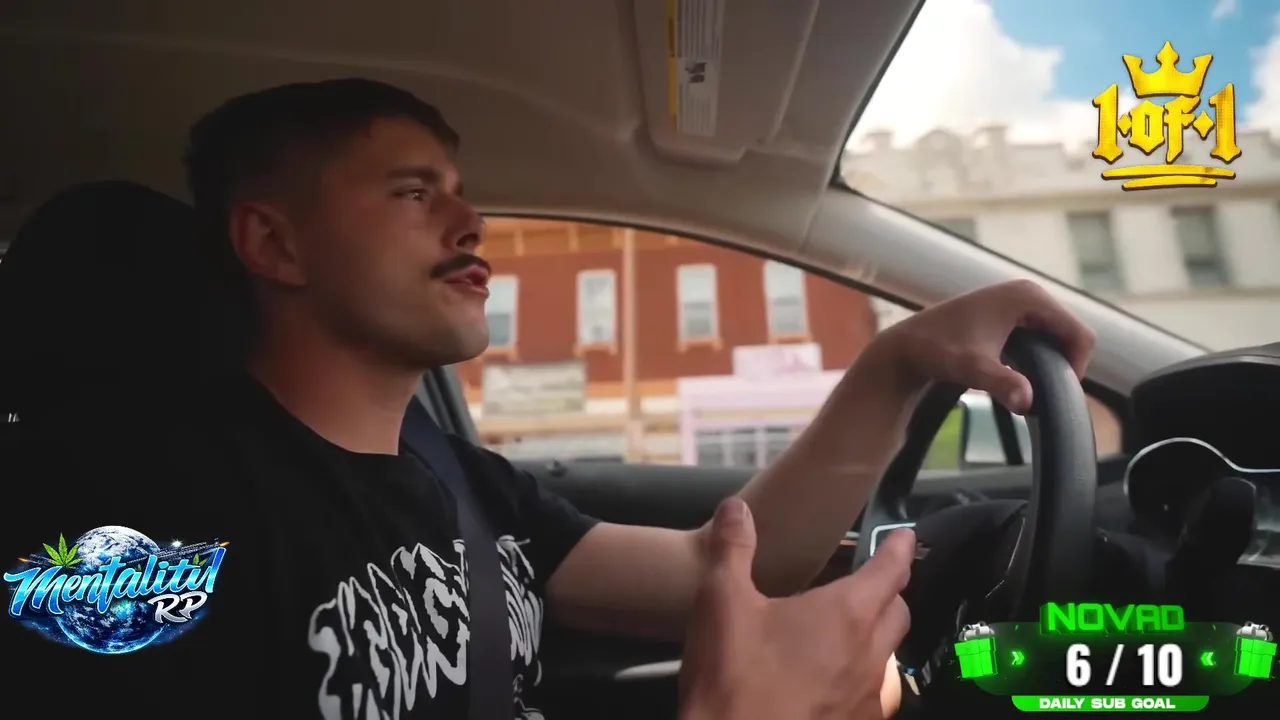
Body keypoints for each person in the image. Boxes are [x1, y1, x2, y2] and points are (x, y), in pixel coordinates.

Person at [2, 79, 1093, 719]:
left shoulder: (458, 480)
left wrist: (894, 365)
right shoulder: (128, 513)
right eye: (413, 192)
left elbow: (727, 571)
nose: (470, 222)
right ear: (273, 244)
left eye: (460, 190)